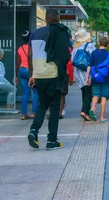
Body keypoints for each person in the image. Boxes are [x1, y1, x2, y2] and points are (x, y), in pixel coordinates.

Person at [28, 8, 71, 150]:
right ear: (57, 18)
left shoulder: (34, 34)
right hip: (53, 74)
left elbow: (30, 55)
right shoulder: (60, 32)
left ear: (46, 18)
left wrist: (32, 75)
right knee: (54, 107)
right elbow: (65, 54)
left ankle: (33, 130)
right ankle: (52, 140)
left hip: (39, 75)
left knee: (42, 104)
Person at [87, 36, 109, 123]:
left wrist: (87, 77)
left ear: (99, 43)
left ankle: (93, 108)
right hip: (105, 78)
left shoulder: (94, 53)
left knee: (95, 95)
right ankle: (102, 117)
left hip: (95, 77)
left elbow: (89, 66)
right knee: (104, 97)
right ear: (108, 44)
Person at [72, 29, 96, 121]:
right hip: (87, 72)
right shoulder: (89, 45)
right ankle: (84, 111)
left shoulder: (75, 46)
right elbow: (94, 57)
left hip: (77, 72)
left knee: (84, 92)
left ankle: (86, 111)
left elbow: (72, 60)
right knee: (89, 92)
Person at [15, 31, 38, 119]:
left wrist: (16, 75)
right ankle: (34, 113)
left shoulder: (20, 48)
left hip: (21, 70)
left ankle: (24, 114)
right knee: (35, 92)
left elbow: (17, 63)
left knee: (25, 93)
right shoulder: (32, 48)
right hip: (30, 71)